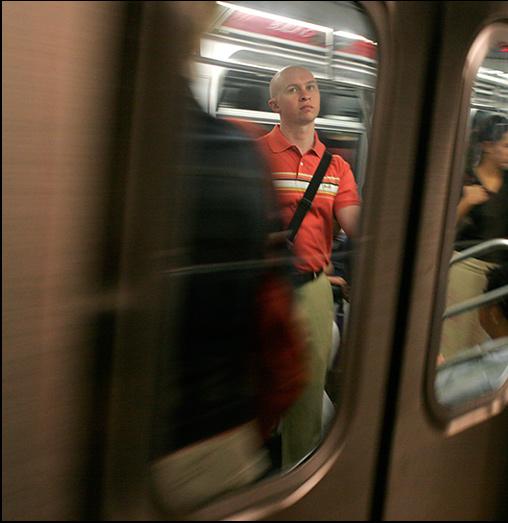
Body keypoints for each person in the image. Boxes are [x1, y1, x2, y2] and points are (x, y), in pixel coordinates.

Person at [150, 3, 307, 512]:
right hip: (215, 440)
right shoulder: (241, 155)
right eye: (293, 88)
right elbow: (277, 330)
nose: (305, 97)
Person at [256, 65, 361, 468]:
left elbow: (355, 224)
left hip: (314, 286)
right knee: (256, 378)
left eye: (312, 87)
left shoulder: (336, 166)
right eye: (293, 89)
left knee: (308, 387)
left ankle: (294, 475)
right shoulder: (257, 153)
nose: (305, 94)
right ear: (274, 103)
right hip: (263, 283)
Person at [441, 113, 508, 361]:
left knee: (487, 342)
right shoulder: (465, 180)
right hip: (465, 270)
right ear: (488, 147)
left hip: (498, 276)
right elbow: (442, 231)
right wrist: (465, 203)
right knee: (456, 340)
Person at [435, 261, 508, 406]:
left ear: (495, 313)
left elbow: (441, 397)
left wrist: (438, 375)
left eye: (484, 297)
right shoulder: (500, 347)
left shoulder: (490, 374)